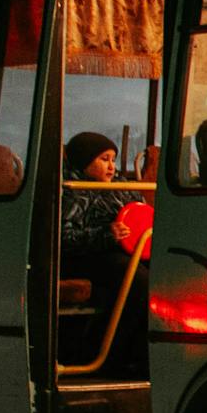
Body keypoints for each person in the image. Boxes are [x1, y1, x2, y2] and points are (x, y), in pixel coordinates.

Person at [59, 132, 148, 374]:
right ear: (84, 162)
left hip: (128, 251)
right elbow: (63, 239)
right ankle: (109, 355)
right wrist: (105, 235)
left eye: (113, 159)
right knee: (138, 281)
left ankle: (140, 353)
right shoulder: (73, 191)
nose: (111, 166)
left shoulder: (122, 187)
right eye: (104, 159)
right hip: (86, 257)